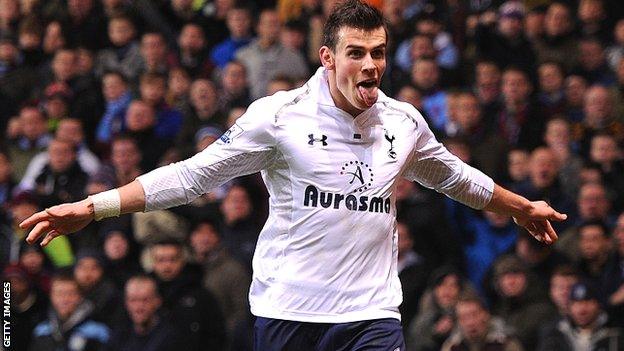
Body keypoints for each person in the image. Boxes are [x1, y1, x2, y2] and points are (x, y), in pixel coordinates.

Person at [21, 1, 567, 349]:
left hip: (372, 313)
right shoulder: (278, 118)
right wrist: (94, 208)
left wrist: (521, 208)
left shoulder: (404, 121)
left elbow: (455, 178)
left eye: (379, 53)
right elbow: (192, 177)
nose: (371, 65)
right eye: (357, 53)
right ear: (328, 57)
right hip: (290, 313)